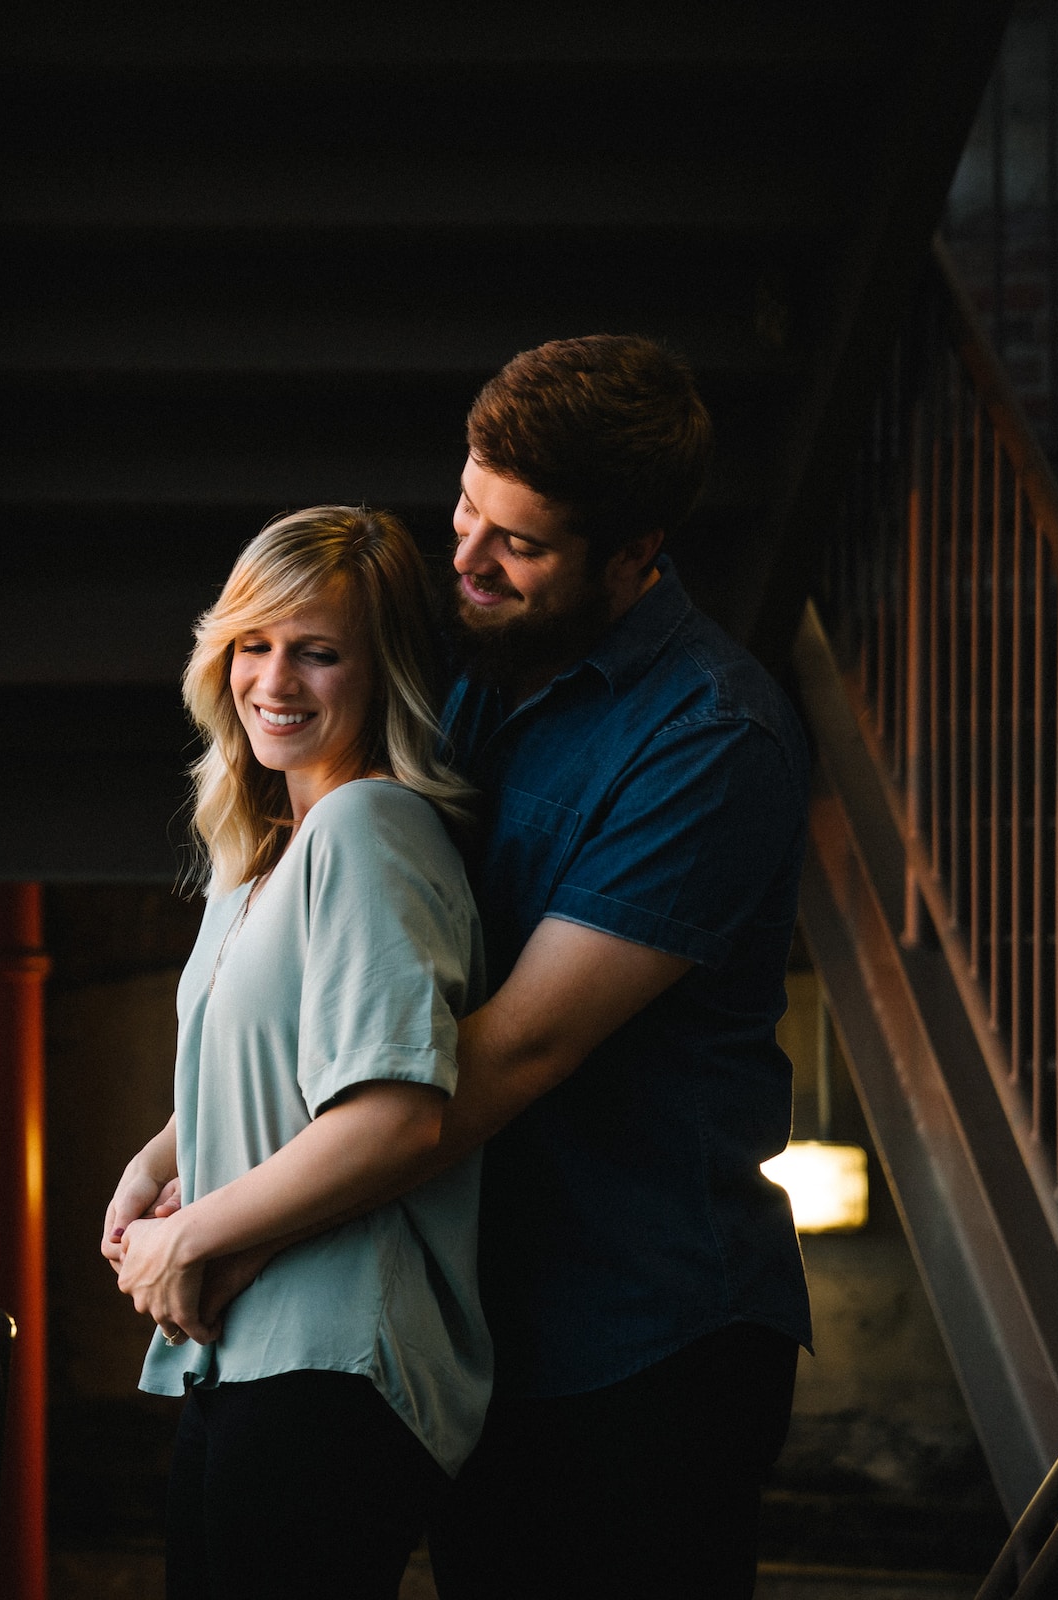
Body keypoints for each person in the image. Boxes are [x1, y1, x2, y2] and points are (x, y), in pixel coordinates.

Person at [195, 337, 812, 1597]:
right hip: (477, 1309)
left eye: (518, 544)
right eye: (466, 508)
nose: (465, 559)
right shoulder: (463, 667)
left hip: (641, 1338)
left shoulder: (710, 735)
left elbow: (508, 1049)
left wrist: (240, 1226)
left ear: (637, 555)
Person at [99, 505, 489, 1600]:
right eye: (254, 645)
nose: (276, 680)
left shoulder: (372, 832)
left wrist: (193, 1239)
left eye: (318, 651)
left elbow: (393, 1114)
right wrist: (156, 1164)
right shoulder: (264, 859)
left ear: (382, 672)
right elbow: (276, 1062)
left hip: (334, 1360)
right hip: (249, 1353)